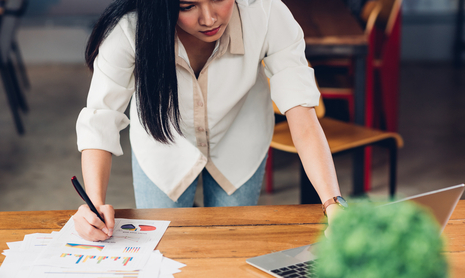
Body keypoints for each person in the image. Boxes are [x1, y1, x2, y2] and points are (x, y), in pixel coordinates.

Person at [74, 0, 344, 241]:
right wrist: (94, 204)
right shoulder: (128, 30)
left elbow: (303, 117)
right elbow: (101, 119)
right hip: (163, 144)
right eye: (187, 6)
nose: (209, 18)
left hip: (240, 137)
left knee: (233, 246)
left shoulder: (267, 13)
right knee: (165, 248)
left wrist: (334, 203)